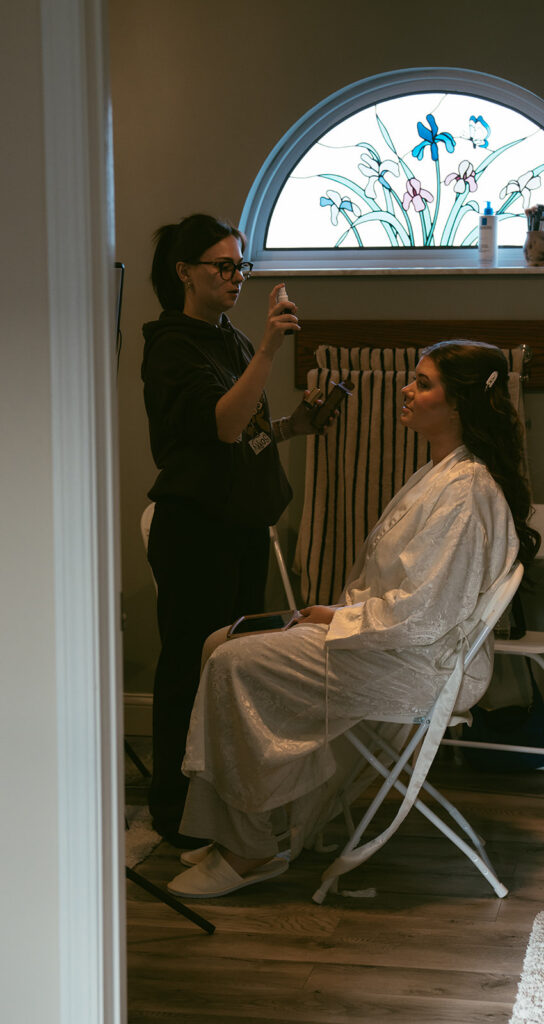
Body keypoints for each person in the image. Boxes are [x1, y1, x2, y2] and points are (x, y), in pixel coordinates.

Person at [167, 339, 540, 895]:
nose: (406, 389)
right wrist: (336, 614)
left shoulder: (466, 492)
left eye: (423, 382)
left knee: (232, 663)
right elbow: (414, 596)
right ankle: (257, 823)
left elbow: (427, 612)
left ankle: (250, 851)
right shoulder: (441, 473)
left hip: (417, 660)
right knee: (219, 641)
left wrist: (335, 618)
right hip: (391, 637)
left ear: (458, 404)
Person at [142, 213, 319, 846]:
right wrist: (272, 348)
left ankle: (225, 804)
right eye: (223, 265)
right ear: (184, 272)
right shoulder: (171, 346)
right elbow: (218, 427)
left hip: (239, 521)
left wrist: (295, 427)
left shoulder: (232, 341)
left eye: (240, 265)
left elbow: (244, 437)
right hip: (194, 529)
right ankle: (173, 810)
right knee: (192, 666)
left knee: (237, 665)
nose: (236, 277)